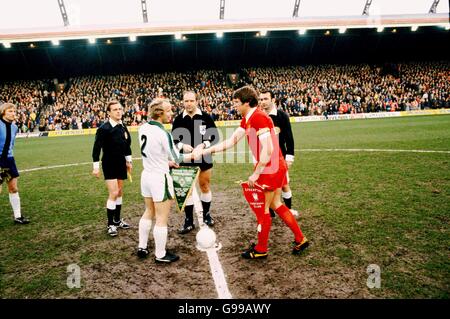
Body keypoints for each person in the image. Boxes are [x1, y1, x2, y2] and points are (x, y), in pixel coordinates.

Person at [200, 86, 309, 259]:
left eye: (236, 103)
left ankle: (261, 249)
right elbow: (231, 141)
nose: (233, 106)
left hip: (269, 168)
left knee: (263, 210)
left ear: (247, 102)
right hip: (271, 166)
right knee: (276, 205)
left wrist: (256, 173)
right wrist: (207, 151)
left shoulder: (258, 117)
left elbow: (268, 149)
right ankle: (300, 238)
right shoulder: (248, 118)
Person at [137, 98, 197, 263]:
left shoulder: (143, 128)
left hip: (146, 175)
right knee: (162, 218)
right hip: (159, 178)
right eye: (169, 110)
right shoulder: (163, 133)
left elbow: (154, 153)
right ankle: (161, 254)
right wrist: (194, 155)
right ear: (159, 113)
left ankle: (142, 246)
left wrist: (166, 161)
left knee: (149, 211)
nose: (171, 113)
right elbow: (177, 158)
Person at [171, 91, 219, 234]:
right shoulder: (179, 119)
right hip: (186, 159)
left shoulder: (205, 117)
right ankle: (188, 221)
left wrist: (203, 145)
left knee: (204, 186)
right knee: (188, 191)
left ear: (197, 101)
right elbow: (173, 140)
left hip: (204, 157)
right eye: (186, 101)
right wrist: (182, 146)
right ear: (183, 102)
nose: (189, 103)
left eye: (191, 100)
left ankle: (206, 215)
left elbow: (214, 136)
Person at [92, 100, 132, 237]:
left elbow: (127, 145)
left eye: (120, 109)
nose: (118, 111)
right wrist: (95, 167)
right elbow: (96, 149)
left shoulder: (122, 126)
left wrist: (129, 161)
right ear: (109, 113)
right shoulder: (104, 128)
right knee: (113, 193)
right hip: (109, 163)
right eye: (115, 109)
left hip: (121, 162)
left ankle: (117, 219)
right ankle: (110, 224)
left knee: (120, 192)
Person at [259, 91, 296, 217]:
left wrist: (289, 157)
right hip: (264, 158)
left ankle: (288, 210)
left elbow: (289, 138)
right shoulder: (258, 116)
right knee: (266, 186)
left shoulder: (282, 116)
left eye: (265, 99)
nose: (263, 102)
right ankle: (270, 212)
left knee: (284, 185)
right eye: (261, 99)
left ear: (273, 100)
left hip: (280, 158)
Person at [0, 103, 29, 224]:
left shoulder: (14, 127)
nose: (13, 114)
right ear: (3, 112)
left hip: (9, 160)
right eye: (9, 111)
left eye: (14, 111)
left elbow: (11, 144)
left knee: (13, 188)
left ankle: (18, 216)